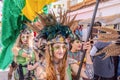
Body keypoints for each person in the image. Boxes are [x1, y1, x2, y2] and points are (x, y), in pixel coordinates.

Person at [27, 13, 94, 80]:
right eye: (57, 47)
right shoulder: (43, 66)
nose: (61, 50)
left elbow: (89, 75)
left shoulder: (69, 62)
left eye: (63, 47)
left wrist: (87, 54)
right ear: (50, 48)